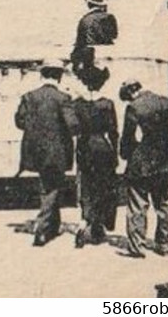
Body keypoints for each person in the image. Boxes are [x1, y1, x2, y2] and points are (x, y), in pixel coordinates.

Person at [14, 57, 78, 246]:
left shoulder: (29, 96)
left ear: (42, 74)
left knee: (50, 184)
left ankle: (53, 225)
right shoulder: (63, 98)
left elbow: (20, 121)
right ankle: (41, 230)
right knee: (51, 188)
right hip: (57, 151)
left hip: (35, 150)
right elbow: (72, 125)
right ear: (59, 76)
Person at [119, 79, 168, 258]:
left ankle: (137, 247)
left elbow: (128, 138)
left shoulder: (134, 108)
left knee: (137, 205)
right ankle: (164, 244)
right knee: (164, 204)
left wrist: (126, 155)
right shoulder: (164, 103)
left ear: (131, 92)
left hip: (142, 165)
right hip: (165, 163)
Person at [71, 63, 119, 248]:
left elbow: (74, 128)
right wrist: (115, 154)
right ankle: (98, 225)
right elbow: (114, 132)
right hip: (103, 149)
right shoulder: (107, 104)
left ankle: (84, 222)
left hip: (84, 149)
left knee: (86, 187)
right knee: (103, 187)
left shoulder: (78, 104)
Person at [72, 0, 118, 72]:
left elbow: (80, 42)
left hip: (89, 55)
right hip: (107, 53)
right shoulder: (110, 17)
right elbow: (114, 35)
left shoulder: (85, 20)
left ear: (89, 4)